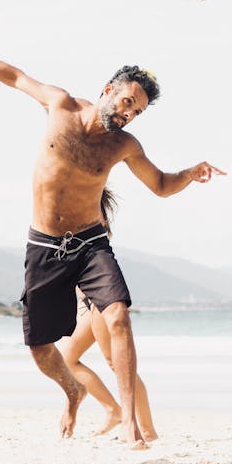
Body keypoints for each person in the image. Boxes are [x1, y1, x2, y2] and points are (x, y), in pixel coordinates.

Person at [0, 32, 225, 446]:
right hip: (45, 245)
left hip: (89, 243)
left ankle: (130, 424)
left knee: (118, 315)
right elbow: (13, 76)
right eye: (126, 103)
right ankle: (73, 391)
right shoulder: (60, 105)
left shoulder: (124, 146)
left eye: (136, 112)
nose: (128, 115)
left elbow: (159, 183)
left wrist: (189, 175)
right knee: (40, 347)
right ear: (108, 90)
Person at [58, 189, 158, 440]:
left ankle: (146, 429)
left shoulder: (91, 213)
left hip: (100, 299)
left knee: (118, 364)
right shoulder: (69, 216)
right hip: (89, 304)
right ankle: (113, 410)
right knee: (68, 358)